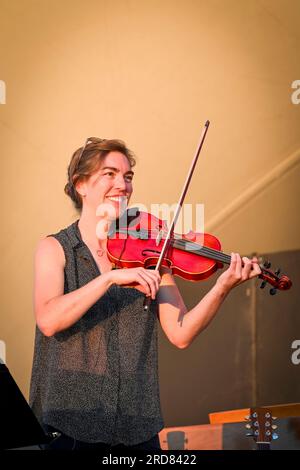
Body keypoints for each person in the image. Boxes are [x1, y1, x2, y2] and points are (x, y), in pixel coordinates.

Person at [29, 137, 261, 450]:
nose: (121, 185)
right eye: (109, 174)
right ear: (80, 184)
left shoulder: (148, 249)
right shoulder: (55, 248)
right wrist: (109, 278)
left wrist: (222, 286)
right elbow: (48, 320)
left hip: (135, 427)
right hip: (72, 425)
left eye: (127, 177)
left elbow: (180, 333)